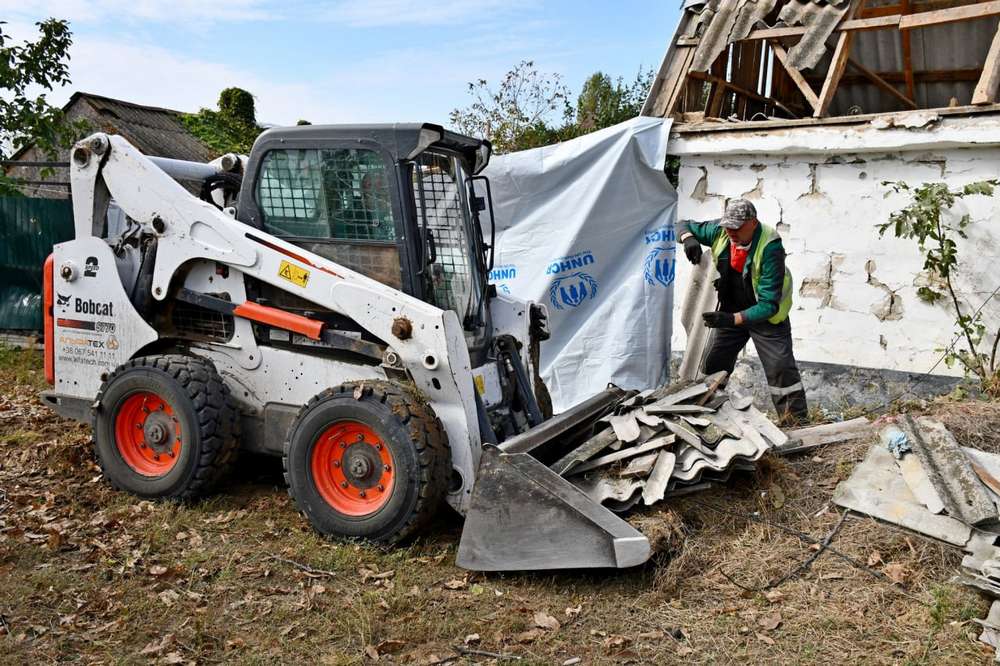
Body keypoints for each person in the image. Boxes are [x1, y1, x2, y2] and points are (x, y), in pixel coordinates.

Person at [679, 199, 808, 424]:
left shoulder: (770, 247)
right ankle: (708, 420)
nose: (731, 232)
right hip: (731, 308)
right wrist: (687, 238)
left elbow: (769, 305)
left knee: (780, 368)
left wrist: (731, 319)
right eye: (728, 226)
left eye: (737, 227)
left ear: (753, 223)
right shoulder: (721, 232)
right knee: (714, 365)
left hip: (766, 318)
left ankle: (796, 425)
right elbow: (681, 224)